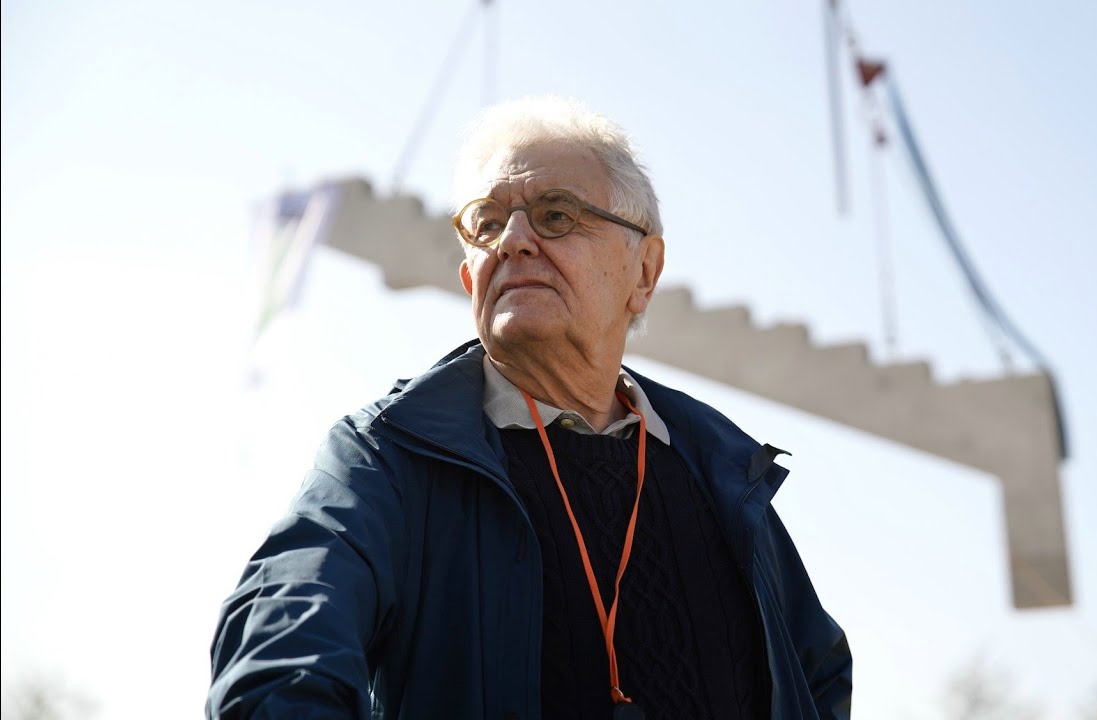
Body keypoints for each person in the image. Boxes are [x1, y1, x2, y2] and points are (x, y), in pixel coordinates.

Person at [207, 96, 851, 720]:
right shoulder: (386, 454)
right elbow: (281, 647)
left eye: (556, 215)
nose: (512, 241)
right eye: (487, 223)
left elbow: (816, 675)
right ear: (470, 279)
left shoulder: (724, 471)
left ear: (644, 272)